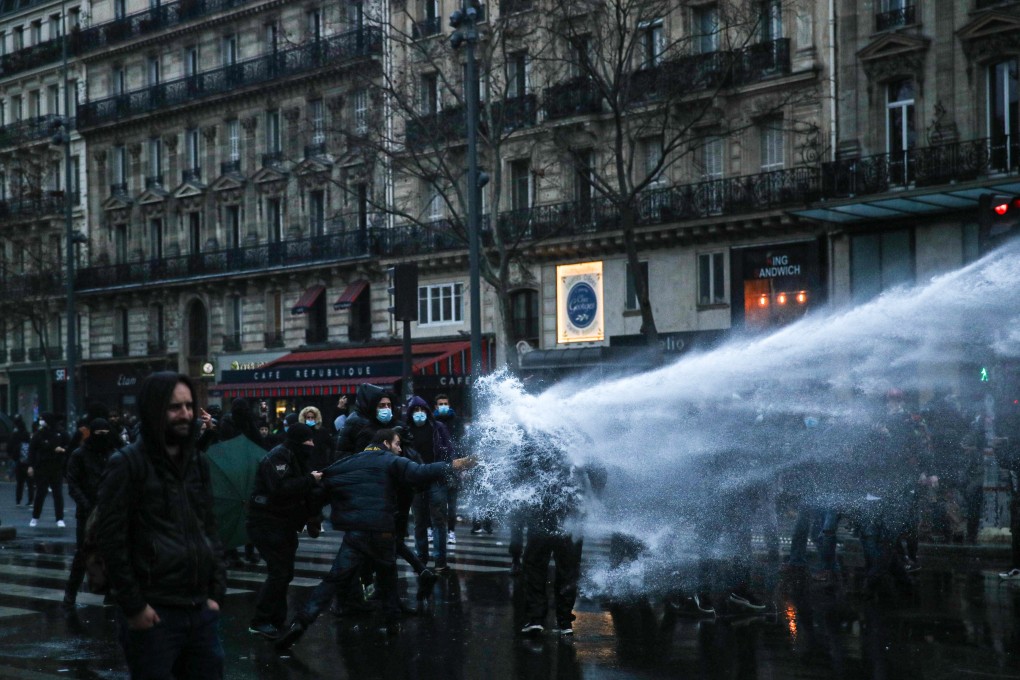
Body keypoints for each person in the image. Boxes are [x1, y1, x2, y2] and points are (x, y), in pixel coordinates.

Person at [276, 428, 473, 651]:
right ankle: (392, 626)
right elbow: (421, 472)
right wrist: (458, 464)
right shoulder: (390, 461)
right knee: (387, 577)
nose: (400, 449)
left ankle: (300, 623)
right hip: (382, 530)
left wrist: (312, 515)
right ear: (387, 443)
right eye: (398, 444)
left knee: (333, 580)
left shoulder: (349, 462)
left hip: (356, 533)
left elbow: (322, 484)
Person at [95, 371, 227, 679]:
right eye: (174, 407)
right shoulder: (127, 463)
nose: (185, 415)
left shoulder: (196, 462)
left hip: (199, 609)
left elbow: (209, 526)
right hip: (155, 613)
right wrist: (134, 606)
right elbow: (111, 539)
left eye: (189, 406)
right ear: (154, 410)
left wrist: (216, 591)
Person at [246, 423, 324, 640]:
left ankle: (275, 619)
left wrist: (313, 516)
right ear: (299, 441)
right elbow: (281, 489)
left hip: (283, 524)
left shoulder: (295, 457)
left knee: (284, 572)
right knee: (279, 572)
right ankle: (260, 620)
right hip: (266, 523)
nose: (312, 444)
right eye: (308, 440)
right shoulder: (278, 457)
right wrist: (310, 480)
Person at [519, 439, 603, 637]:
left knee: (538, 565)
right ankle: (562, 620)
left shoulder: (534, 434)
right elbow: (599, 473)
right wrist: (592, 498)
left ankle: (538, 618)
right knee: (567, 566)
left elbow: (520, 471)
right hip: (569, 513)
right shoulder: (579, 436)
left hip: (545, 511)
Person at [63, 418, 118, 611]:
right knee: (83, 553)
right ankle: (71, 591)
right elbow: (73, 483)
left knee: (111, 551)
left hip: (109, 510)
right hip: (87, 511)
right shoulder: (79, 455)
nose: (102, 437)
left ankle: (109, 591)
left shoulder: (112, 454)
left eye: (105, 433)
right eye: (99, 433)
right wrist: (86, 505)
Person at [406, 396, 454, 571]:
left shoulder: (438, 428)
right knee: (420, 521)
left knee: (438, 520)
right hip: (416, 480)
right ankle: (421, 559)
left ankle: (440, 560)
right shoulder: (406, 431)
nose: (419, 414)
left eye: (422, 410)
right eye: (415, 411)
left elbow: (449, 450)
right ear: (410, 414)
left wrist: (446, 467)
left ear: (427, 411)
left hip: (436, 478)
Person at [27, 412, 69, 528]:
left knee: (58, 494)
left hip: (56, 467)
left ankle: (59, 518)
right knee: (40, 493)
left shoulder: (60, 432)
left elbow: (69, 445)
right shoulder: (39, 434)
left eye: (43, 419)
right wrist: (31, 465)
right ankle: (35, 517)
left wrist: (63, 450)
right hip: (42, 467)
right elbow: (32, 450)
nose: (41, 421)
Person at [334, 384, 397, 460]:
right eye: (381, 405)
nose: (386, 409)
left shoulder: (361, 418)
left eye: (389, 405)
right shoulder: (361, 423)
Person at [433, 394, 463, 545]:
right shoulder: (432, 423)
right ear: (436, 406)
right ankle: (435, 530)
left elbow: (462, 443)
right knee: (437, 503)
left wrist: (463, 467)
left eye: (445, 403)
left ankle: (451, 531)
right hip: (438, 466)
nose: (443, 406)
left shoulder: (456, 421)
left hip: (454, 466)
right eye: (440, 403)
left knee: (452, 504)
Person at [298, 406, 333, 470]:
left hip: (321, 465)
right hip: (306, 466)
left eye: (312, 417)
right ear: (304, 418)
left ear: (316, 418)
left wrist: (329, 462)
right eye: (308, 417)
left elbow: (332, 446)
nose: (310, 419)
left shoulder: (322, 431)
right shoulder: (301, 432)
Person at [9, 415, 33, 507]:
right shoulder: (28, 440)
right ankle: (30, 500)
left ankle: (18, 500)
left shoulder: (16, 438)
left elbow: (12, 450)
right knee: (29, 483)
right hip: (28, 462)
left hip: (19, 462)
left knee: (20, 483)